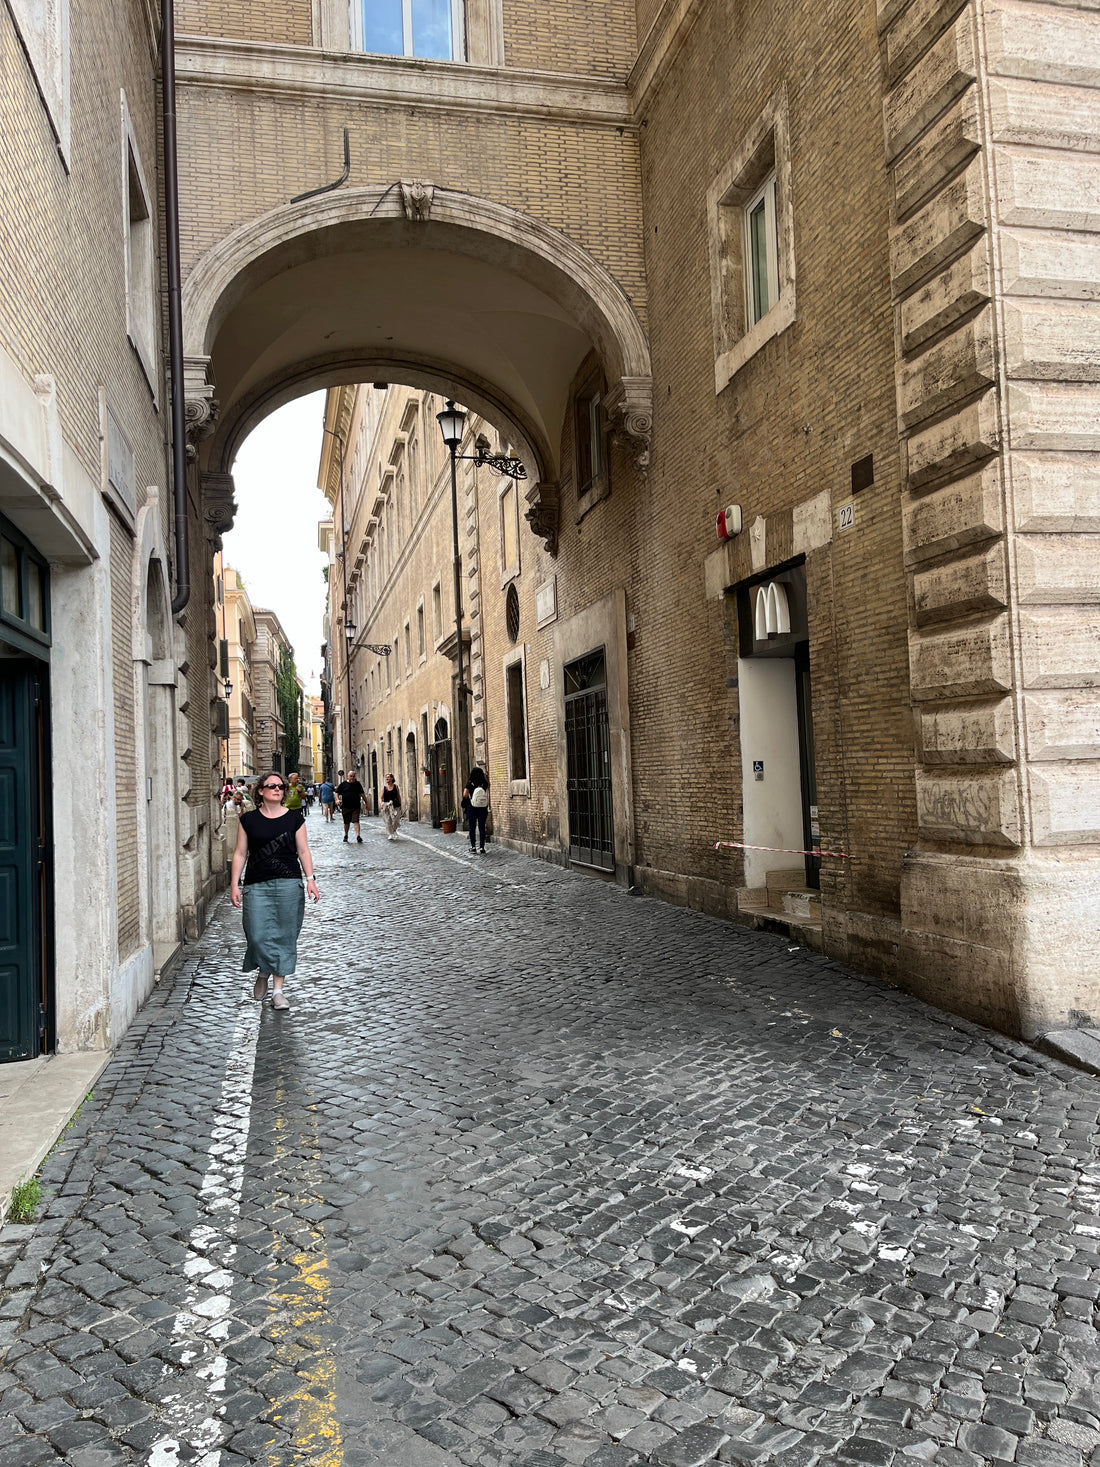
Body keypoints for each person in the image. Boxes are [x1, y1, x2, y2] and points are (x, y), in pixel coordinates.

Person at [230, 771, 320, 1010]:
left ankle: (278, 991)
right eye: (272, 786)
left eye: (280, 786)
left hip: (289, 883)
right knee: (256, 934)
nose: (278, 789)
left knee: (285, 935)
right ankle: (263, 970)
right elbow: (240, 853)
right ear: (260, 791)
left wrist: (310, 880)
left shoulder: (294, 819)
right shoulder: (248, 820)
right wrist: (234, 884)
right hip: (256, 884)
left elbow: (303, 851)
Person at [335, 768, 367, 843]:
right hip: (346, 806)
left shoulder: (357, 784)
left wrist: (366, 803)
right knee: (346, 822)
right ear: (348, 776)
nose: (352, 778)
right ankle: (346, 835)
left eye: (353, 776)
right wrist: (337, 799)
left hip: (356, 806)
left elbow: (362, 794)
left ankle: (358, 836)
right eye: (351, 776)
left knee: (356, 821)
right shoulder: (343, 784)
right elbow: (336, 793)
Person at [463, 764, 489, 853]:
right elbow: (488, 786)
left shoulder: (470, 783)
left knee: (472, 827)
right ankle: (482, 847)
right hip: (483, 807)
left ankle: (473, 846)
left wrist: (467, 801)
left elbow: (465, 794)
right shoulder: (483, 783)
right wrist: (486, 777)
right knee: (482, 827)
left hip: (472, 807)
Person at [381, 772, 402, 840]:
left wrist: (400, 804)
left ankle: (394, 830)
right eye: (386, 777)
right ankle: (390, 834)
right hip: (386, 805)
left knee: (396, 820)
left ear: (392, 778)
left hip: (395, 805)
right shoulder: (384, 788)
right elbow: (381, 797)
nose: (387, 778)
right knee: (388, 820)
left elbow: (398, 796)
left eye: (388, 777)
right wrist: (381, 803)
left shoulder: (396, 787)